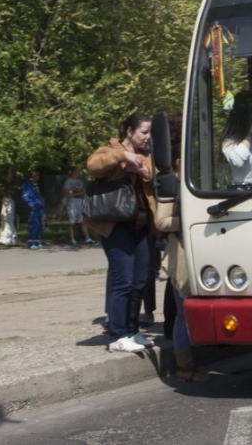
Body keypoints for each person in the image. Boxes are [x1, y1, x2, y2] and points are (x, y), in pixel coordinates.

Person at [85, 113, 157, 353]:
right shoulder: (109, 150)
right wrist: (124, 157)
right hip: (115, 227)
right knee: (123, 280)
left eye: (149, 132)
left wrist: (147, 174)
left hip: (140, 226)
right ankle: (117, 335)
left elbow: (156, 178)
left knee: (139, 282)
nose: (148, 136)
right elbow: (93, 166)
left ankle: (132, 330)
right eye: (144, 132)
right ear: (129, 132)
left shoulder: (147, 156)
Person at [154, 114, 210, 381]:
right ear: (179, 160)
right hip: (181, 254)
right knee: (183, 315)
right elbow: (162, 221)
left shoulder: (193, 180)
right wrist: (190, 220)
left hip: (199, 252)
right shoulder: (169, 182)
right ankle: (184, 368)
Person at [63, 166, 95, 246]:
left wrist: (82, 195)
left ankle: (88, 238)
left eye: (79, 171)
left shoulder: (80, 182)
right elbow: (66, 194)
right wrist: (77, 194)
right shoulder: (68, 181)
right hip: (72, 203)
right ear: (72, 172)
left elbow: (82, 192)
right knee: (72, 221)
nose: (78, 172)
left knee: (83, 220)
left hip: (80, 202)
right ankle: (72, 239)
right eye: (76, 171)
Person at [21, 170, 45, 250]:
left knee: (39, 225)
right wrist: (31, 204)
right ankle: (32, 243)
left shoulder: (36, 185)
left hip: (39, 206)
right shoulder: (27, 185)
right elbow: (26, 196)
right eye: (36, 175)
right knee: (33, 225)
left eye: (38, 175)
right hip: (33, 207)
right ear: (32, 176)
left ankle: (38, 242)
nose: (38, 177)